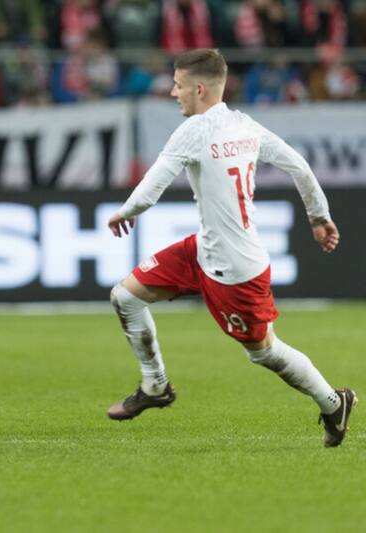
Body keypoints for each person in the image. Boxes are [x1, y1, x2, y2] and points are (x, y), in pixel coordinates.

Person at [105, 48, 356, 448]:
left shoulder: (194, 130)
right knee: (125, 297)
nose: (173, 93)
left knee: (264, 352)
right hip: (203, 250)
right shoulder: (245, 125)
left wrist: (125, 211)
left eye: (178, 85)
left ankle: (333, 402)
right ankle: (155, 386)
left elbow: (152, 186)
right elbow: (299, 166)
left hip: (237, 269)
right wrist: (318, 216)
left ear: (200, 89)